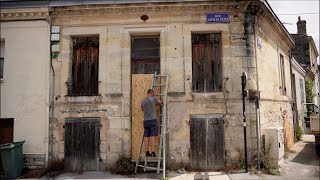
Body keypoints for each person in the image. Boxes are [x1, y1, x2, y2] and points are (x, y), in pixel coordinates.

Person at [141, 89, 162, 157]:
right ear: (152, 93)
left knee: (146, 136)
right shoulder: (153, 98)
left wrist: (152, 106)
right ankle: (153, 152)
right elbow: (160, 103)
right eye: (154, 93)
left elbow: (142, 109)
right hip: (152, 120)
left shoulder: (143, 101)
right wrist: (161, 102)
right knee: (153, 136)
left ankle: (147, 152)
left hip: (146, 121)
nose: (154, 94)